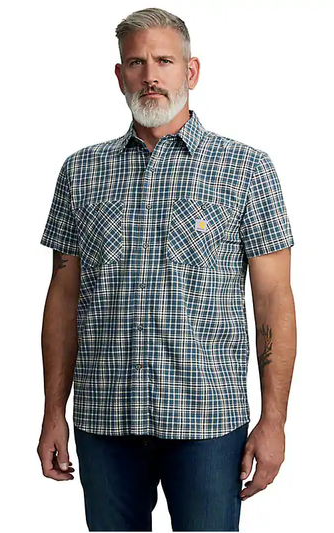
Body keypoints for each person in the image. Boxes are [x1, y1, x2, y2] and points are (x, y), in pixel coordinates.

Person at [37, 7, 297, 532]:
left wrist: (274, 422)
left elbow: (274, 300)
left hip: (207, 423)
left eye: (164, 61)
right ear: (120, 75)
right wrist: (52, 413)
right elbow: (63, 298)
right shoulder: (81, 171)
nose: (150, 75)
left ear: (191, 71)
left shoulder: (247, 169)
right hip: (104, 420)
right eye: (136, 63)